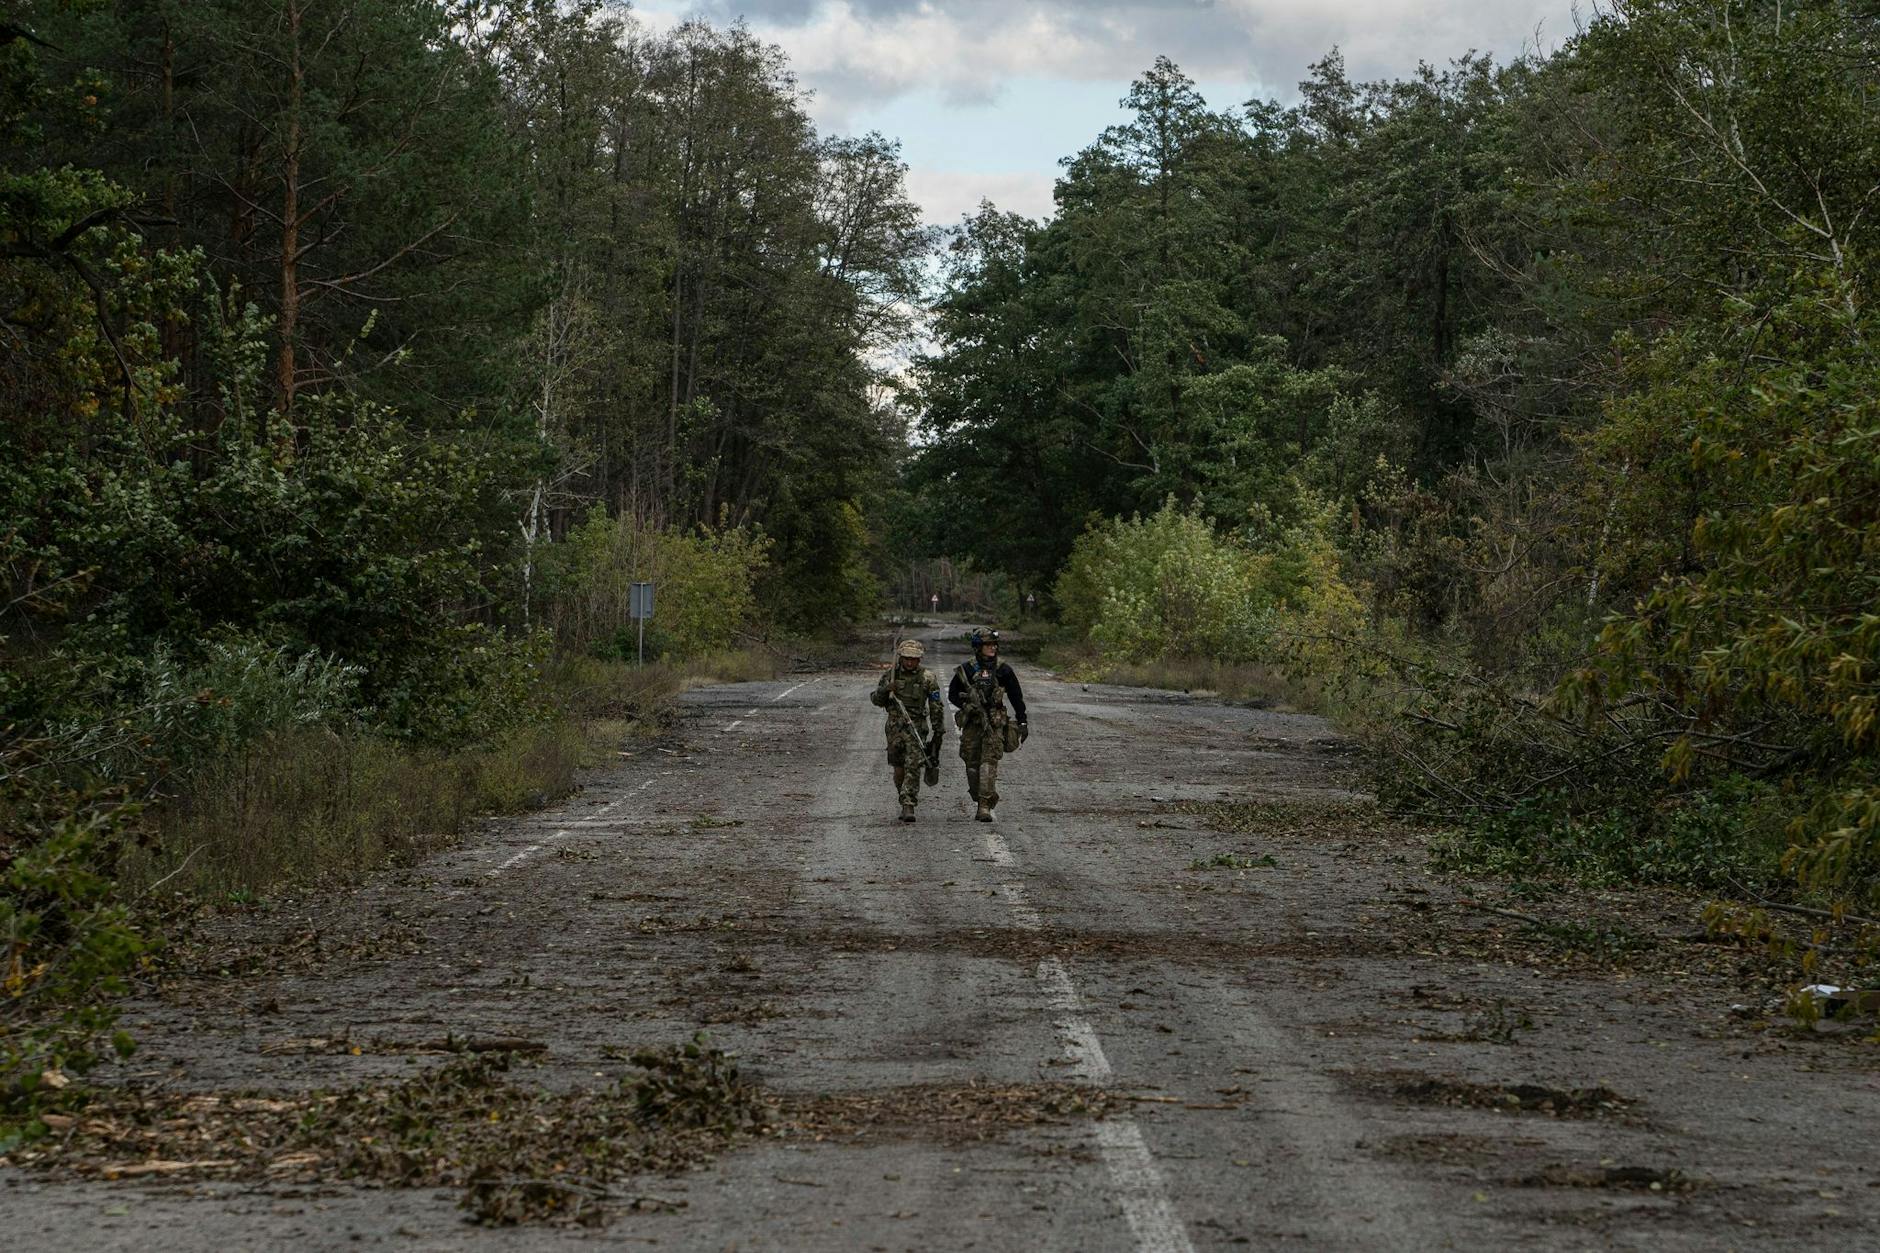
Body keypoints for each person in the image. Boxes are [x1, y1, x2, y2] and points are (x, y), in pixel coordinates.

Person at [948, 628, 1028, 822]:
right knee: (972, 767)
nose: (992, 648)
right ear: (978, 647)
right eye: (987, 645)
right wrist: (968, 706)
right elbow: (952, 694)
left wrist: (1022, 720)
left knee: (988, 764)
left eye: (994, 644)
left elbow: (1016, 696)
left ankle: (983, 807)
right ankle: (981, 797)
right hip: (973, 724)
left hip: (994, 723)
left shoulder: (1003, 670)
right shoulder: (966, 669)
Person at [870, 638, 945, 822]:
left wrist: (938, 730)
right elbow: (876, 700)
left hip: (917, 728)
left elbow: (936, 705)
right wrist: (886, 690)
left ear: (919, 659)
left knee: (913, 765)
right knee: (899, 769)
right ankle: (902, 794)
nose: (910, 662)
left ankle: (908, 804)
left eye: (914, 659)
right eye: (906, 658)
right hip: (895, 728)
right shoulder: (891, 675)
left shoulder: (928, 677)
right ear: (901, 658)